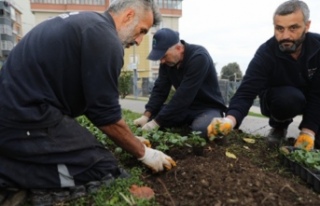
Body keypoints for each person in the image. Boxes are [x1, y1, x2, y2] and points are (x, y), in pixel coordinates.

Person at [0, 0, 176, 204]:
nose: (138, 40)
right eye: (142, 30)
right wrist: (143, 153)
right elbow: (105, 116)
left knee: (82, 150)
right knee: (100, 166)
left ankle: (14, 157)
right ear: (128, 16)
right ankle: (15, 177)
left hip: (18, 112)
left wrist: (132, 140)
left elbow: (94, 105)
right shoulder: (106, 40)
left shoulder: (88, 23)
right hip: (26, 118)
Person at [207, 0, 320, 151]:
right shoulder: (266, 53)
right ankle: (279, 126)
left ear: (307, 26)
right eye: (279, 28)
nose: (285, 36)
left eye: (293, 28)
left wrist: (308, 131)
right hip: (279, 100)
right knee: (288, 98)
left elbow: (317, 93)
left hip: (311, 98)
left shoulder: (317, 47)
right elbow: (246, 91)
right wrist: (229, 120)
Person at [133, 28, 227, 138]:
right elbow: (160, 89)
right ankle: (187, 123)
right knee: (154, 114)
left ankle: (204, 122)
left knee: (201, 129)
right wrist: (146, 116)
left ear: (178, 48)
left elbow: (184, 96)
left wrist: (156, 123)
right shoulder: (167, 63)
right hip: (185, 108)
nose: (162, 61)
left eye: (164, 56)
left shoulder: (199, 57)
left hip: (207, 108)